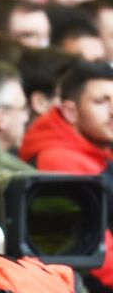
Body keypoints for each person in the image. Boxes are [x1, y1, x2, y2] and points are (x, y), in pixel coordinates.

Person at [20, 61, 113, 290]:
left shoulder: (98, 149)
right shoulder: (58, 159)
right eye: (101, 102)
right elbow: (94, 251)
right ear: (70, 111)